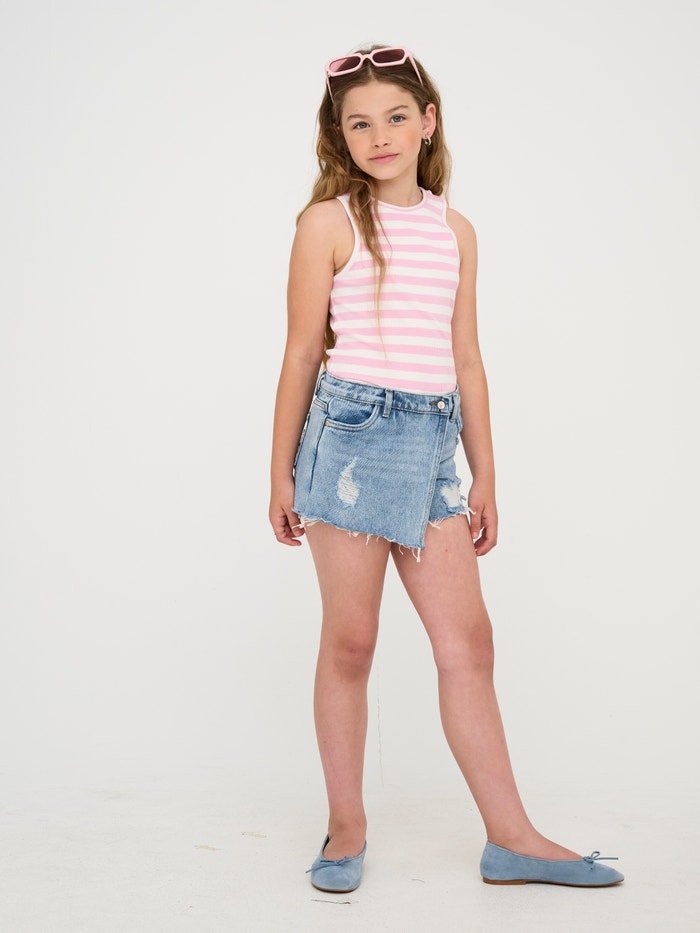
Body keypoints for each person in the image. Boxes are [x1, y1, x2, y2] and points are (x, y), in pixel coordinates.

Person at [269, 45, 623, 893]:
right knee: (351, 641)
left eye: (397, 116)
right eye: (360, 124)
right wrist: (279, 471)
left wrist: (484, 471)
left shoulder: (454, 230)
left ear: (428, 122)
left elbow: (466, 360)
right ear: (340, 136)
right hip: (350, 440)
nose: (380, 136)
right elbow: (302, 351)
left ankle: (512, 837)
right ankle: (346, 827)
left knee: (468, 641)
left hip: (432, 445)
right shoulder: (328, 224)